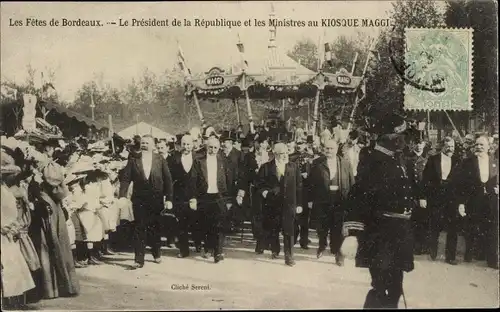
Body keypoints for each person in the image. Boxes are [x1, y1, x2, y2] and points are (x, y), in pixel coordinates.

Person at [342, 112, 417, 308]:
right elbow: (357, 197)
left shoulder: (399, 159)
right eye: (400, 135)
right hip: (380, 234)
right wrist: (353, 233)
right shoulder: (372, 161)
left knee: (395, 287)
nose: (403, 140)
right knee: (382, 287)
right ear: (388, 137)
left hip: (399, 232)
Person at [119, 134, 174, 269]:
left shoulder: (160, 159)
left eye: (147, 143)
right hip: (139, 199)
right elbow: (126, 178)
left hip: (156, 199)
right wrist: (122, 196)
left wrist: (169, 199)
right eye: (142, 143)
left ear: (153, 145)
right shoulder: (133, 159)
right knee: (139, 227)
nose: (144, 145)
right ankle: (139, 259)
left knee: (155, 227)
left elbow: (168, 180)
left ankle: (156, 253)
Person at [28, 162, 80, 300]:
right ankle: (63, 285)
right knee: (59, 246)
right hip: (55, 211)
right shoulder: (54, 174)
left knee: (46, 248)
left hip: (47, 211)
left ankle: (50, 288)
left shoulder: (42, 182)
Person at [256, 142, 303, 266]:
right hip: (272, 204)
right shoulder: (266, 167)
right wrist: (265, 192)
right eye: (282, 153)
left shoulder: (293, 167)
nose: (285, 155)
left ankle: (289, 257)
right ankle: (275, 249)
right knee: (273, 229)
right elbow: (259, 184)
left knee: (289, 231)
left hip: (289, 204)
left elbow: (299, 187)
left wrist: (299, 204)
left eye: (287, 152)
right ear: (275, 154)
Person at [456, 134, 499, 269]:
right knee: (472, 227)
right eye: (477, 145)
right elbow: (461, 184)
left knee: (492, 229)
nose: (479, 147)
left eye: (482, 145)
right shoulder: (468, 162)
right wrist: (461, 203)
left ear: (488, 147)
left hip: (491, 200)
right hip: (474, 200)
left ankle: (492, 259)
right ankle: (469, 254)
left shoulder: (495, 161)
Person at [309, 139, 354, 265]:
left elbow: (351, 183)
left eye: (331, 148)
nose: (329, 151)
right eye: (327, 148)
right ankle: (322, 245)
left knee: (338, 228)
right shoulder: (317, 163)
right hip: (322, 201)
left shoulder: (345, 163)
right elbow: (311, 184)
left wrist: (352, 201)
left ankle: (338, 254)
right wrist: (310, 200)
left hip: (340, 200)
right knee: (322, 227)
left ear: (336, 149)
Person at [420, 137, 461, 265]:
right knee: (435, 225)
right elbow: (425, 179)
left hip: (452, 197)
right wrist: (423, 197)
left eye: (452, 147)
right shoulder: (433, 159)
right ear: (442, 146)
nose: (450, 149)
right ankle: (433, 252)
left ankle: (450, 256)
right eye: (448, 146)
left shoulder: (458, 160)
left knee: (453, 226)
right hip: (436, 196)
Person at [196, 136, 233, 263]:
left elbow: (230, 180)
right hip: (204, 196)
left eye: (215, 147)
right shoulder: (199, 160)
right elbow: (193, 181)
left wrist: (229, 199)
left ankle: (218, 252)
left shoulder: (224, 161)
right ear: (206, 147)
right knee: (206, 224)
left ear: (219, 148)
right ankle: (207, 248)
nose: (213, 149)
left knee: (220, 225)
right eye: (210, 147)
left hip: (220, 196)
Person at [168, 134, 200, 258]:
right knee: (181, 224)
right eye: (184, 144)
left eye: (188, 144)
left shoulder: (198, 158)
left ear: (193, 145)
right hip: (179, 195)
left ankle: (198, 244)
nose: (186, 147)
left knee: (196, 221)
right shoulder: (174, 158)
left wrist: (197, 196)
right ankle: (183, 250)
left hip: (195, 194)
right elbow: (170, 177)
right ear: (180, 145)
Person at [405, 136, 429, 255]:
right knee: (412, 220)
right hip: (410, 194)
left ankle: (422, 245)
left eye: (421, 143)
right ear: (413, 144)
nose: (419, 145)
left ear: (424, 144)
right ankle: (413, 246)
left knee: (423, 220)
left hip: (423, 195)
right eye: (417, 143)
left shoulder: (427, 160)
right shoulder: (407, 159)